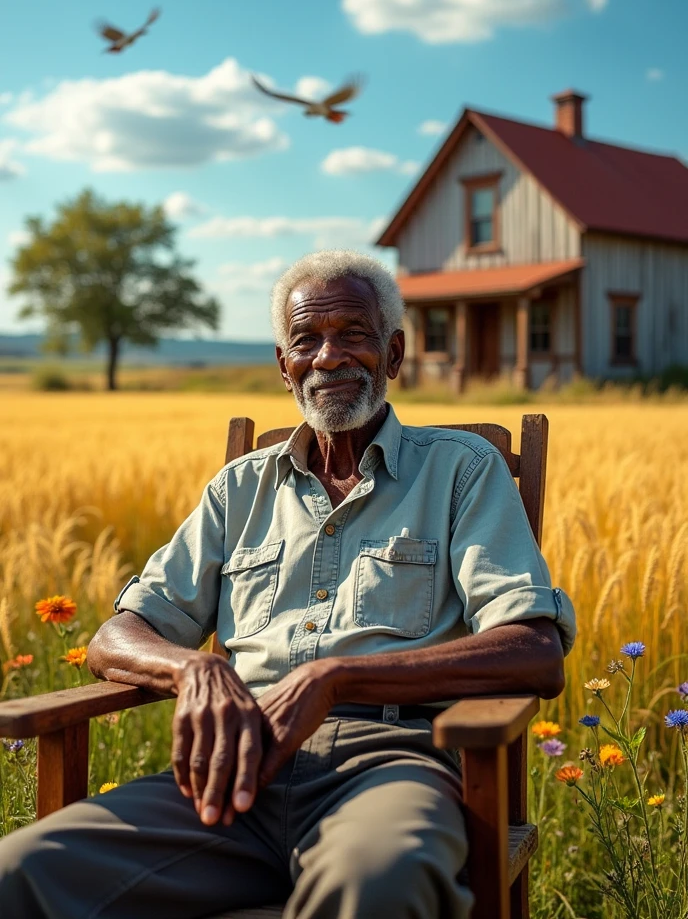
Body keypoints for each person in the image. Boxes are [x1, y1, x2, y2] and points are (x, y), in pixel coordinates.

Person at [0, 250, 576, 919]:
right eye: (307, 340)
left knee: (374, 885)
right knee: (23, 872)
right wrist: (195, 672)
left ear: (392, 354)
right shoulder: (239, 489)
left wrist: (333, 678)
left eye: (353, 334)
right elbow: (117, 637)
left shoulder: (460, 470)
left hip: (389, 768)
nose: (329, 357)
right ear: (284, 366)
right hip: (233, 775)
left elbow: (534, 651)